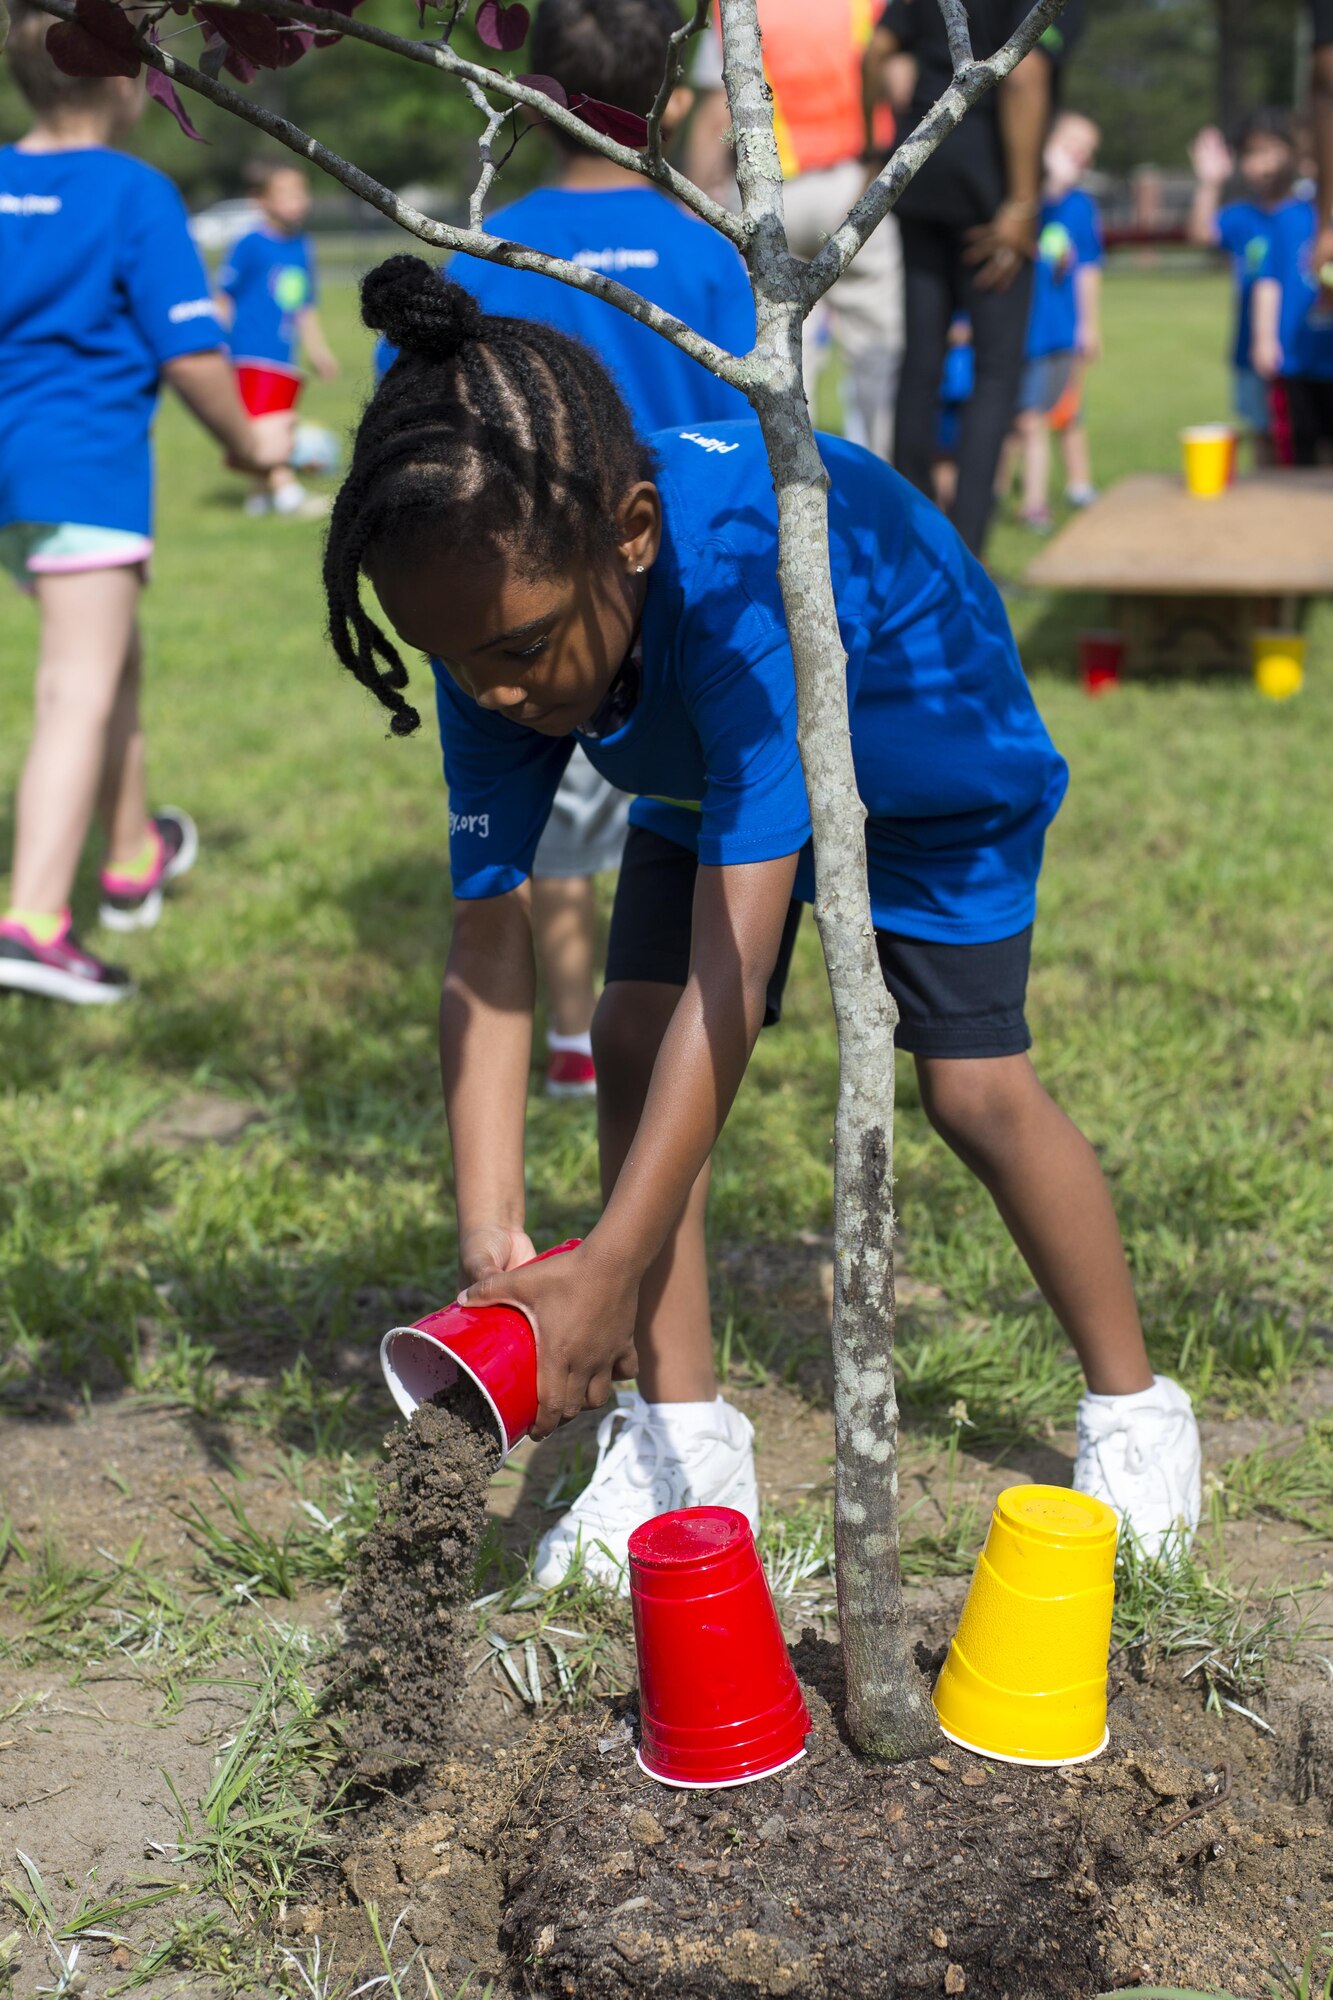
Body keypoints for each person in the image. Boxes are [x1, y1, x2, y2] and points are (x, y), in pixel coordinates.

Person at [324, 256, 1204, 1586]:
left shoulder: (734, 597)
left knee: (976, 1096)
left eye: (515, 652)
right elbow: (489, 951)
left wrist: (608, 1263)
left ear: (630, 531)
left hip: (928, 772)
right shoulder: (494, 631)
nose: (492, 696)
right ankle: (682, 1439)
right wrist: (495, 1241)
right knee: (625, 1033)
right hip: (709, 780)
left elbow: (730, 979)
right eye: (454, 662)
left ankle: (1136, 1413)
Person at [377, 0, 756, 1099]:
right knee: (660, 815)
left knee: (558, 845)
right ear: (671, 103)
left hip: (541, 607)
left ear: (528, 97)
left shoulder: (481, 252)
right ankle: (623, 1032)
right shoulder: (711, 252)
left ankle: (585, 1035)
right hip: (664, 612)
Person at [0, 2, 282, 1004]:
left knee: (110, 656)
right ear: (126, 80)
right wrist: (252, 446)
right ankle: (32, 920)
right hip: (87, 470)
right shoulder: (133, 192)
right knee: (74, 684)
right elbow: (193, 355)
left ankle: (130, 853)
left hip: (16, 482)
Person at [870, 0, 1080, 555]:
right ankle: (967, 551)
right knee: (995, 373)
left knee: (920, 363)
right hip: (990, 190)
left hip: (924, 166)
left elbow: (878, 50)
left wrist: (881, 140)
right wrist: (1021, 202)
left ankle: (910, 540)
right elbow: (1025, 77)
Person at [684, 0, 904, 461]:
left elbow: (714, 115)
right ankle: (875, 472)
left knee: (782, 354)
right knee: (876, 355)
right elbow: (899, 85)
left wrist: (695, 205)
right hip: (855, 183)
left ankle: (792, 474)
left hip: (770, 194)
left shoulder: (740, 7)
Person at [217, 161, 339, 520]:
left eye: (301, 193)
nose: (296, 202)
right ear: (260, 200)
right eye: (285, 194)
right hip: (247, 352)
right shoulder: (249, 244)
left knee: (268, 425)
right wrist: (216, 343)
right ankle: (287, 493)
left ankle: (258, 497)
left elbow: (302, 305)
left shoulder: (301, 245)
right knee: (270, 426)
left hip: (282, 354)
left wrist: (318, 350)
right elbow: (224, 297)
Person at [1002, 112, 1104, 531]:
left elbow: (1088, 269)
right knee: (1016, 419)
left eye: (1086, 153)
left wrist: (1089, 325)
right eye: (1069, 144)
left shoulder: (1079, 207)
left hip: (1056, 333)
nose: (1078, 157)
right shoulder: (1028, 199)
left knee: (1041, 417)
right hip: (1017, 330)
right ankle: (997, 492)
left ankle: (1037, 502)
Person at [1188, 113, 1300, 465]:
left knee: (1309, 435)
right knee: (1262, 433)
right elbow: (1201, 234)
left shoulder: (1311, 213)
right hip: (1252, 349)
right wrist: (1209, 183)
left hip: (1306, 349)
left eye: (1272, 151)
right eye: (1253, 153)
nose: (1263, 163)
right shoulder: (1242, 216)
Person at [1251, 183, 1333, 465]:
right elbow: (1268, 278)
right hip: (1296, 358)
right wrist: (1264, 337)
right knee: (1299, 447)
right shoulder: (1288, 216)